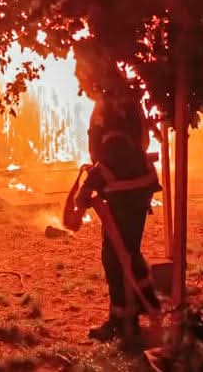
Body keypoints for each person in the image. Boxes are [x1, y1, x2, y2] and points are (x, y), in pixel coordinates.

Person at [72, 46, 162, 342]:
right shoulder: (124, 97)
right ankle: (144, 305)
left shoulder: (111, 103)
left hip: (126, 190)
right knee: (127, 251)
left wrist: (89, 186)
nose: (78, 77)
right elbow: (136, 144)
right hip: (135, 186)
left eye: (80, 70)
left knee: (116, 256)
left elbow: (115, 150)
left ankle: (123, 321)